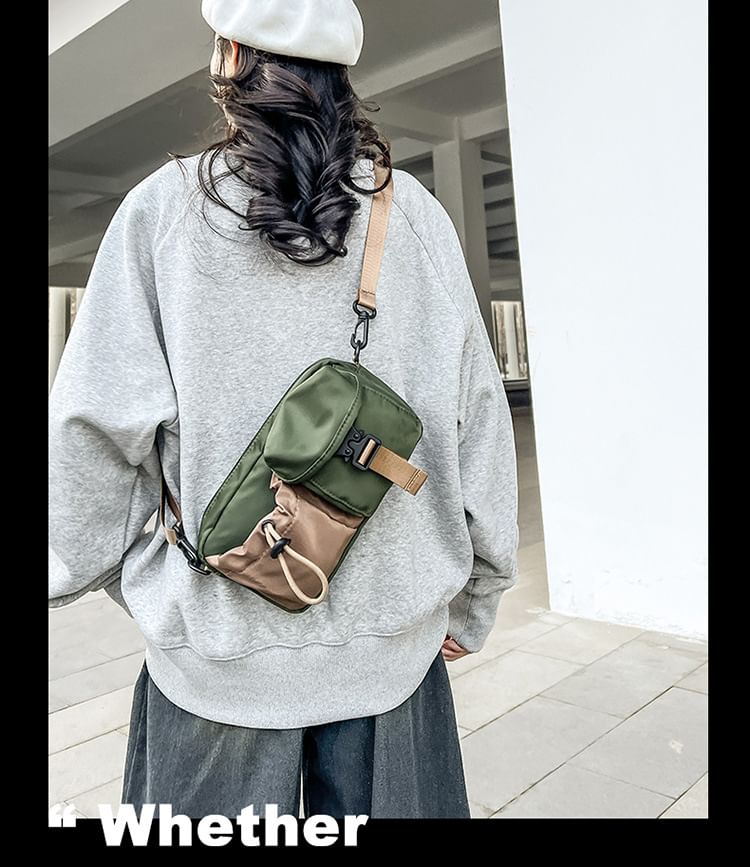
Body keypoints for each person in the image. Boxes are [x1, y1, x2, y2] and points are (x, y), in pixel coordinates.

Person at [48, 0, 519, 819]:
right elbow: (476, 420)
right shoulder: (415, 217)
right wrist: (476, 592)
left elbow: (93, 432)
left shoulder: (163, 213)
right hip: (391, 667)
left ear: (230, 57)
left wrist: (116, 577)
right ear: (343, 75)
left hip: (215, 662)